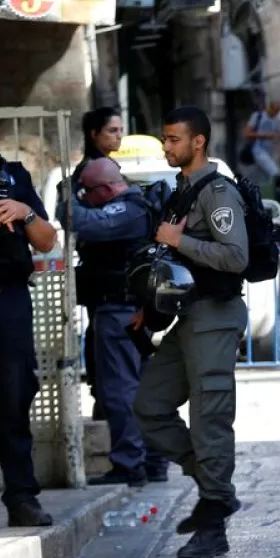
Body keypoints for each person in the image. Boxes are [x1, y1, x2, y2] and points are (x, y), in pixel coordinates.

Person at [134, 106, 250, 558]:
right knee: (150, 405)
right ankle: (211, 483)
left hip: (216, 317)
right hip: (190, 317)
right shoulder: (183, 190)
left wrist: (178, 240)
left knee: (210, 421)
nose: (167, 146)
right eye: (165, 138)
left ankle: (213, 523)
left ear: (198, 142)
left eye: (174, 139)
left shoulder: (217, 192)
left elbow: (236, 255)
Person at [68, 158, 169, 486]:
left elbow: (86, 224)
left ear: (107, 188)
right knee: (138, 389)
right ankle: (152, 460)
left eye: (88, 191)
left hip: (120, 312)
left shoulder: (128, 210)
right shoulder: (132, 207)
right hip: (126, 310)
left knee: (119, 390)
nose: (85, 198)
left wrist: (65, 198)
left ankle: (130, 464)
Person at [0, 145, 58, 527]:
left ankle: (21, 497)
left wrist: (24, 211)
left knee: (13, 397)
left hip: (7, 300)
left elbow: (47, 241)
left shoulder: (13, 176)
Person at [73, 106, 124, 419]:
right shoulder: (91, 171)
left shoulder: (106, 166)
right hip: (102, 271)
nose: (119, 136)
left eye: (120, 130)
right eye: (111, 131)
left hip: (111, 272)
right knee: (101, 343)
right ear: (94, 134)